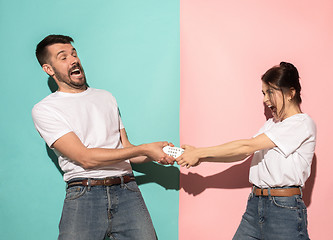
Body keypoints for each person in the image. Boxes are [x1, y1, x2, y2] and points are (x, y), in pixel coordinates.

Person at [32, 34, 175, 240]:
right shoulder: (45, 109)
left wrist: (155, 153)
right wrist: (144, 148)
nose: (73, 60)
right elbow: (85, 158)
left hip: (127, 191)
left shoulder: (106, 97)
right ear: (49, 69)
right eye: (63, 57)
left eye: (74, 54)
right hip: (84, 194)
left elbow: (126, 150)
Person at [176, 62, 316, 240]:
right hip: (255, 206)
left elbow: (247, 146)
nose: (265, 99)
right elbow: (243, 152)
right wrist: (200, 156)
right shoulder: (271, 125)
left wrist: (200, 152)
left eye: (270, 92)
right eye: (264, 93)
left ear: (290, 93)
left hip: (283, 209)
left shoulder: (301, 124)